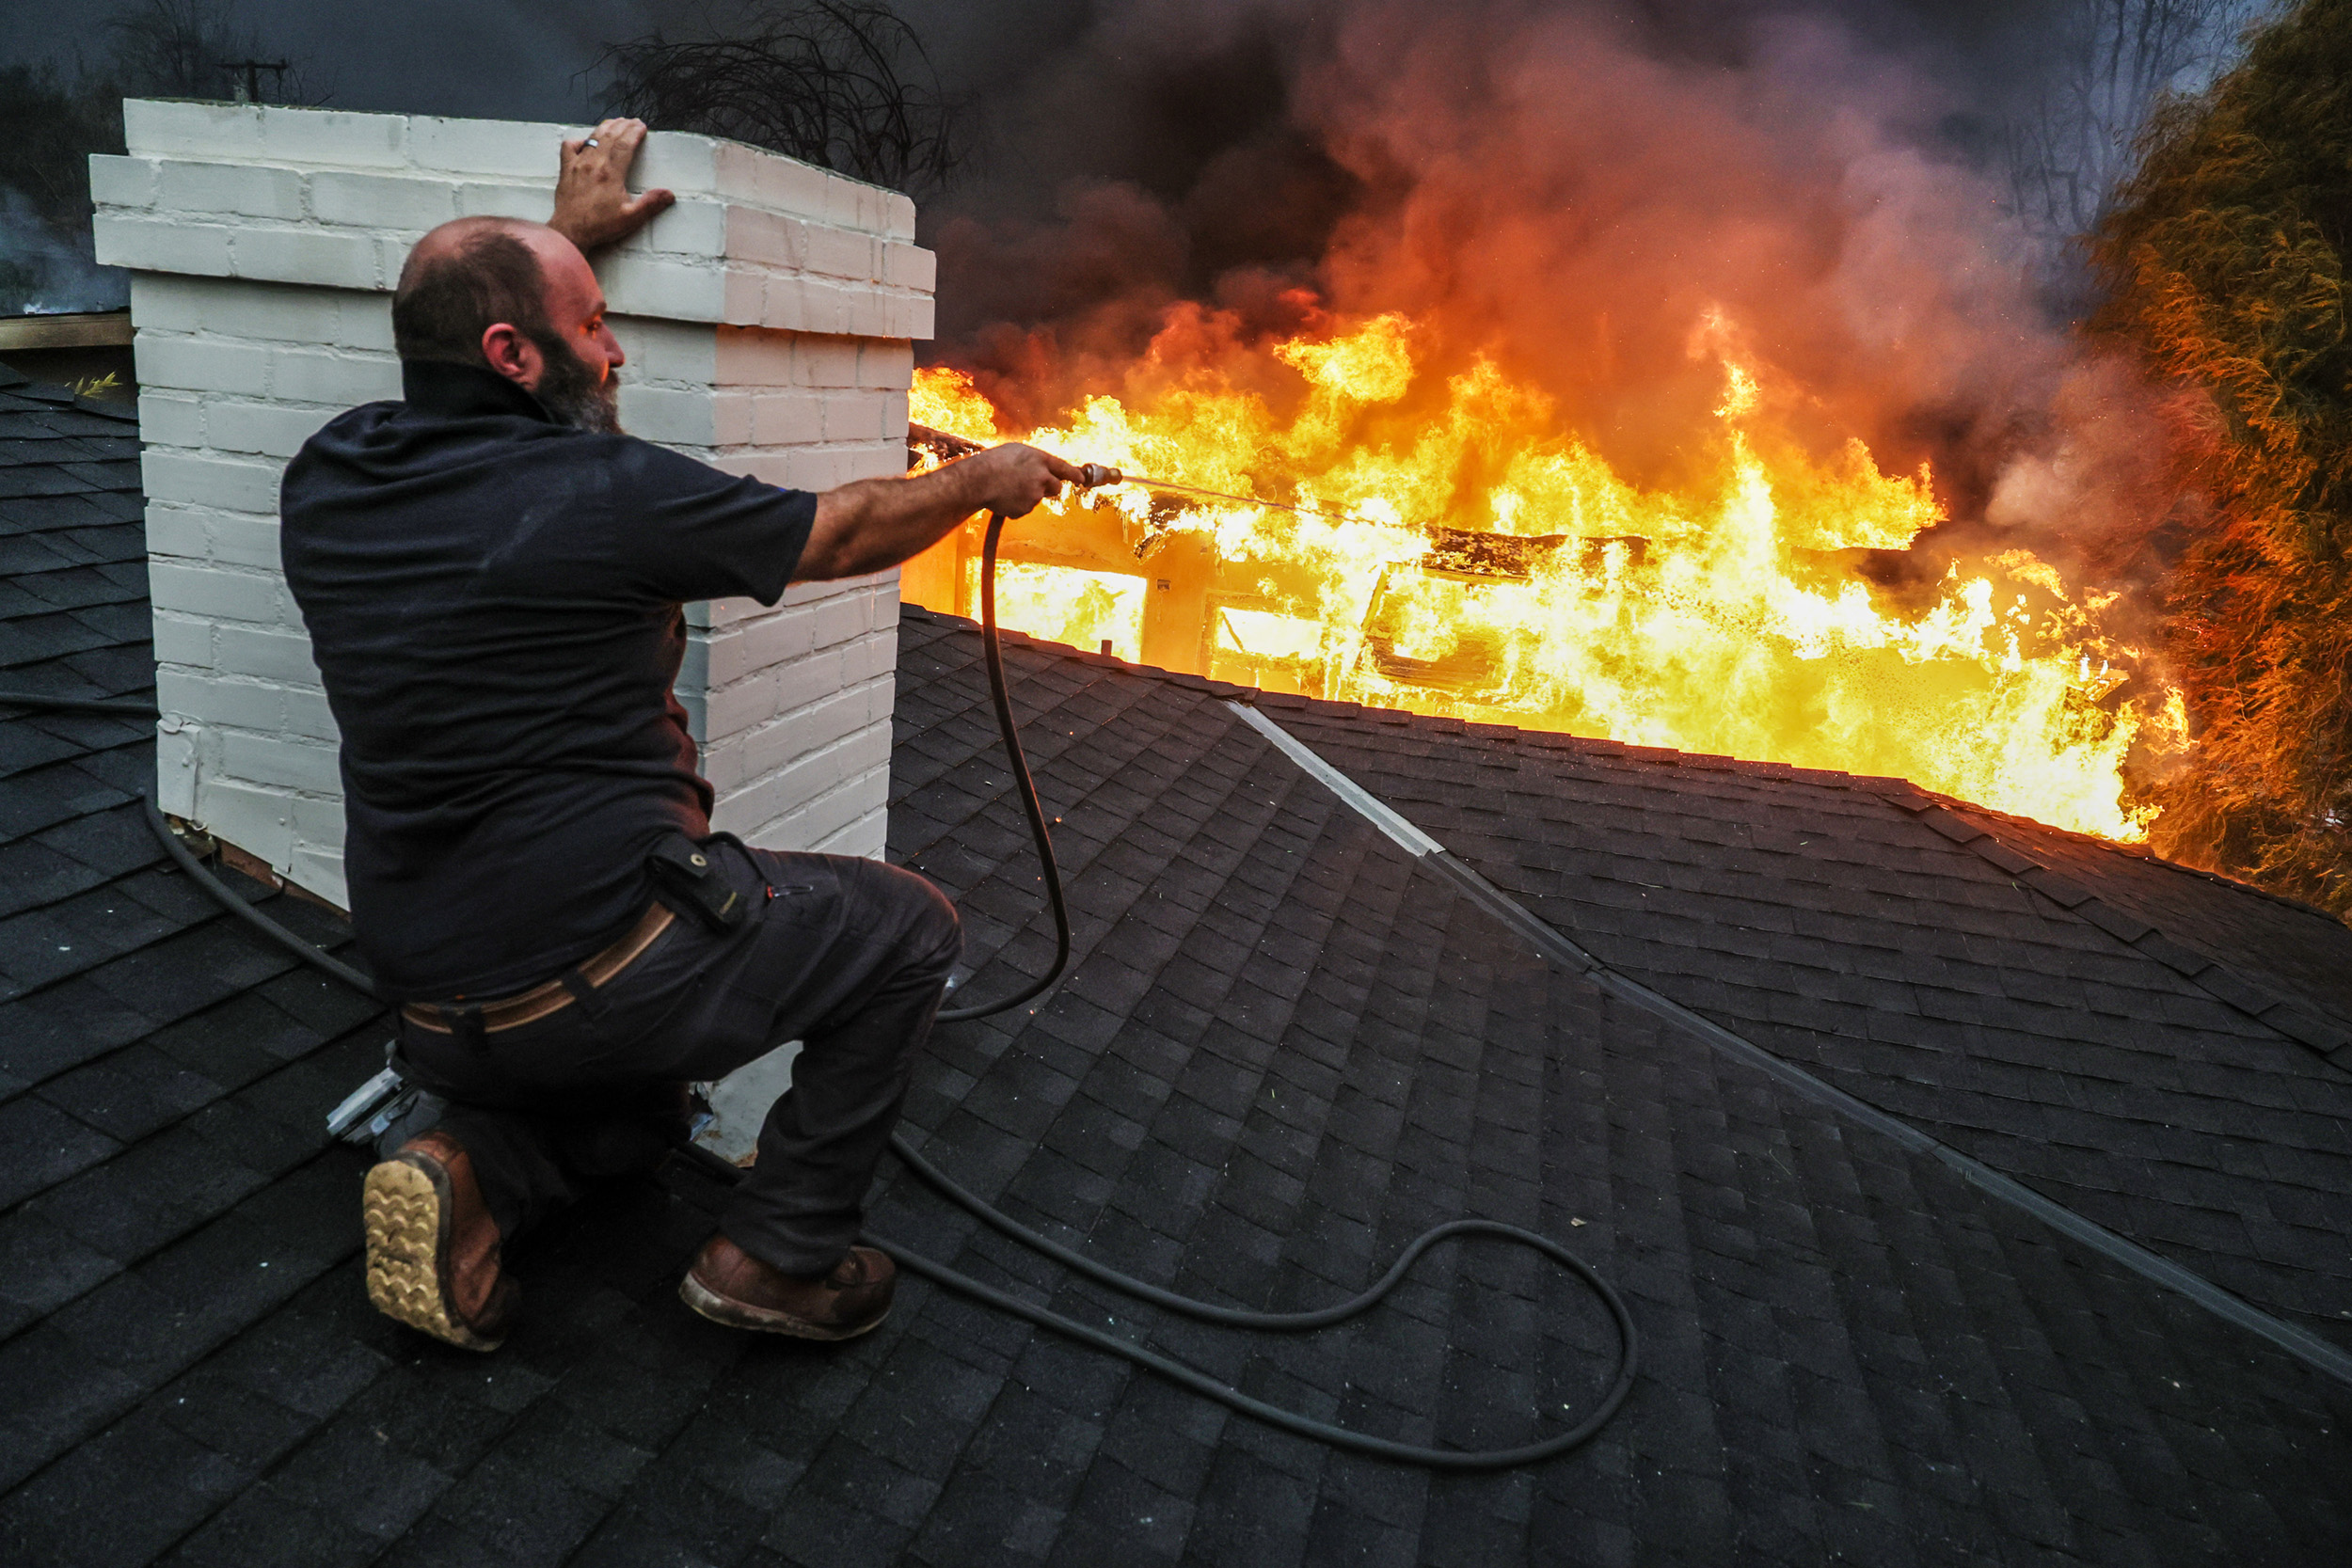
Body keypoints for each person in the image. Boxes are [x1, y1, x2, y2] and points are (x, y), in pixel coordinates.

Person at [278, 120, 1077, 1352]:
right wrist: (983, 481)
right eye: (591, 325)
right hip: (601, 966)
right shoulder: (607, 499)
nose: (613, 351)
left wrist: (561, 247)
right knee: (909, 928)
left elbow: (460, 320)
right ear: (512, 350)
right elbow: (848, 531)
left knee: (639, 1120)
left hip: (432, 1001)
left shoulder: (326, 477)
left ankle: (465, 1170)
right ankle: (780, 1257)